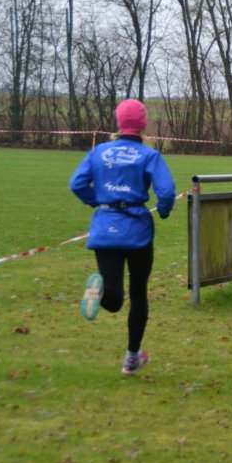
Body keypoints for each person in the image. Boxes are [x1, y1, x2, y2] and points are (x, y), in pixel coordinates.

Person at [70, 98, 176, 375]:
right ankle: (131, 358)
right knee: (138, 294)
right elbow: (166, 192)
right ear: (143, 124)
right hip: (137, 229)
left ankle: (100, 291)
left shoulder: (99, 152)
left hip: (105, 228)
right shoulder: (149, 155)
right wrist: (164, 211)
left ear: (118, 122)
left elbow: (77, 183)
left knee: (114, 297)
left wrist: (97, 200)